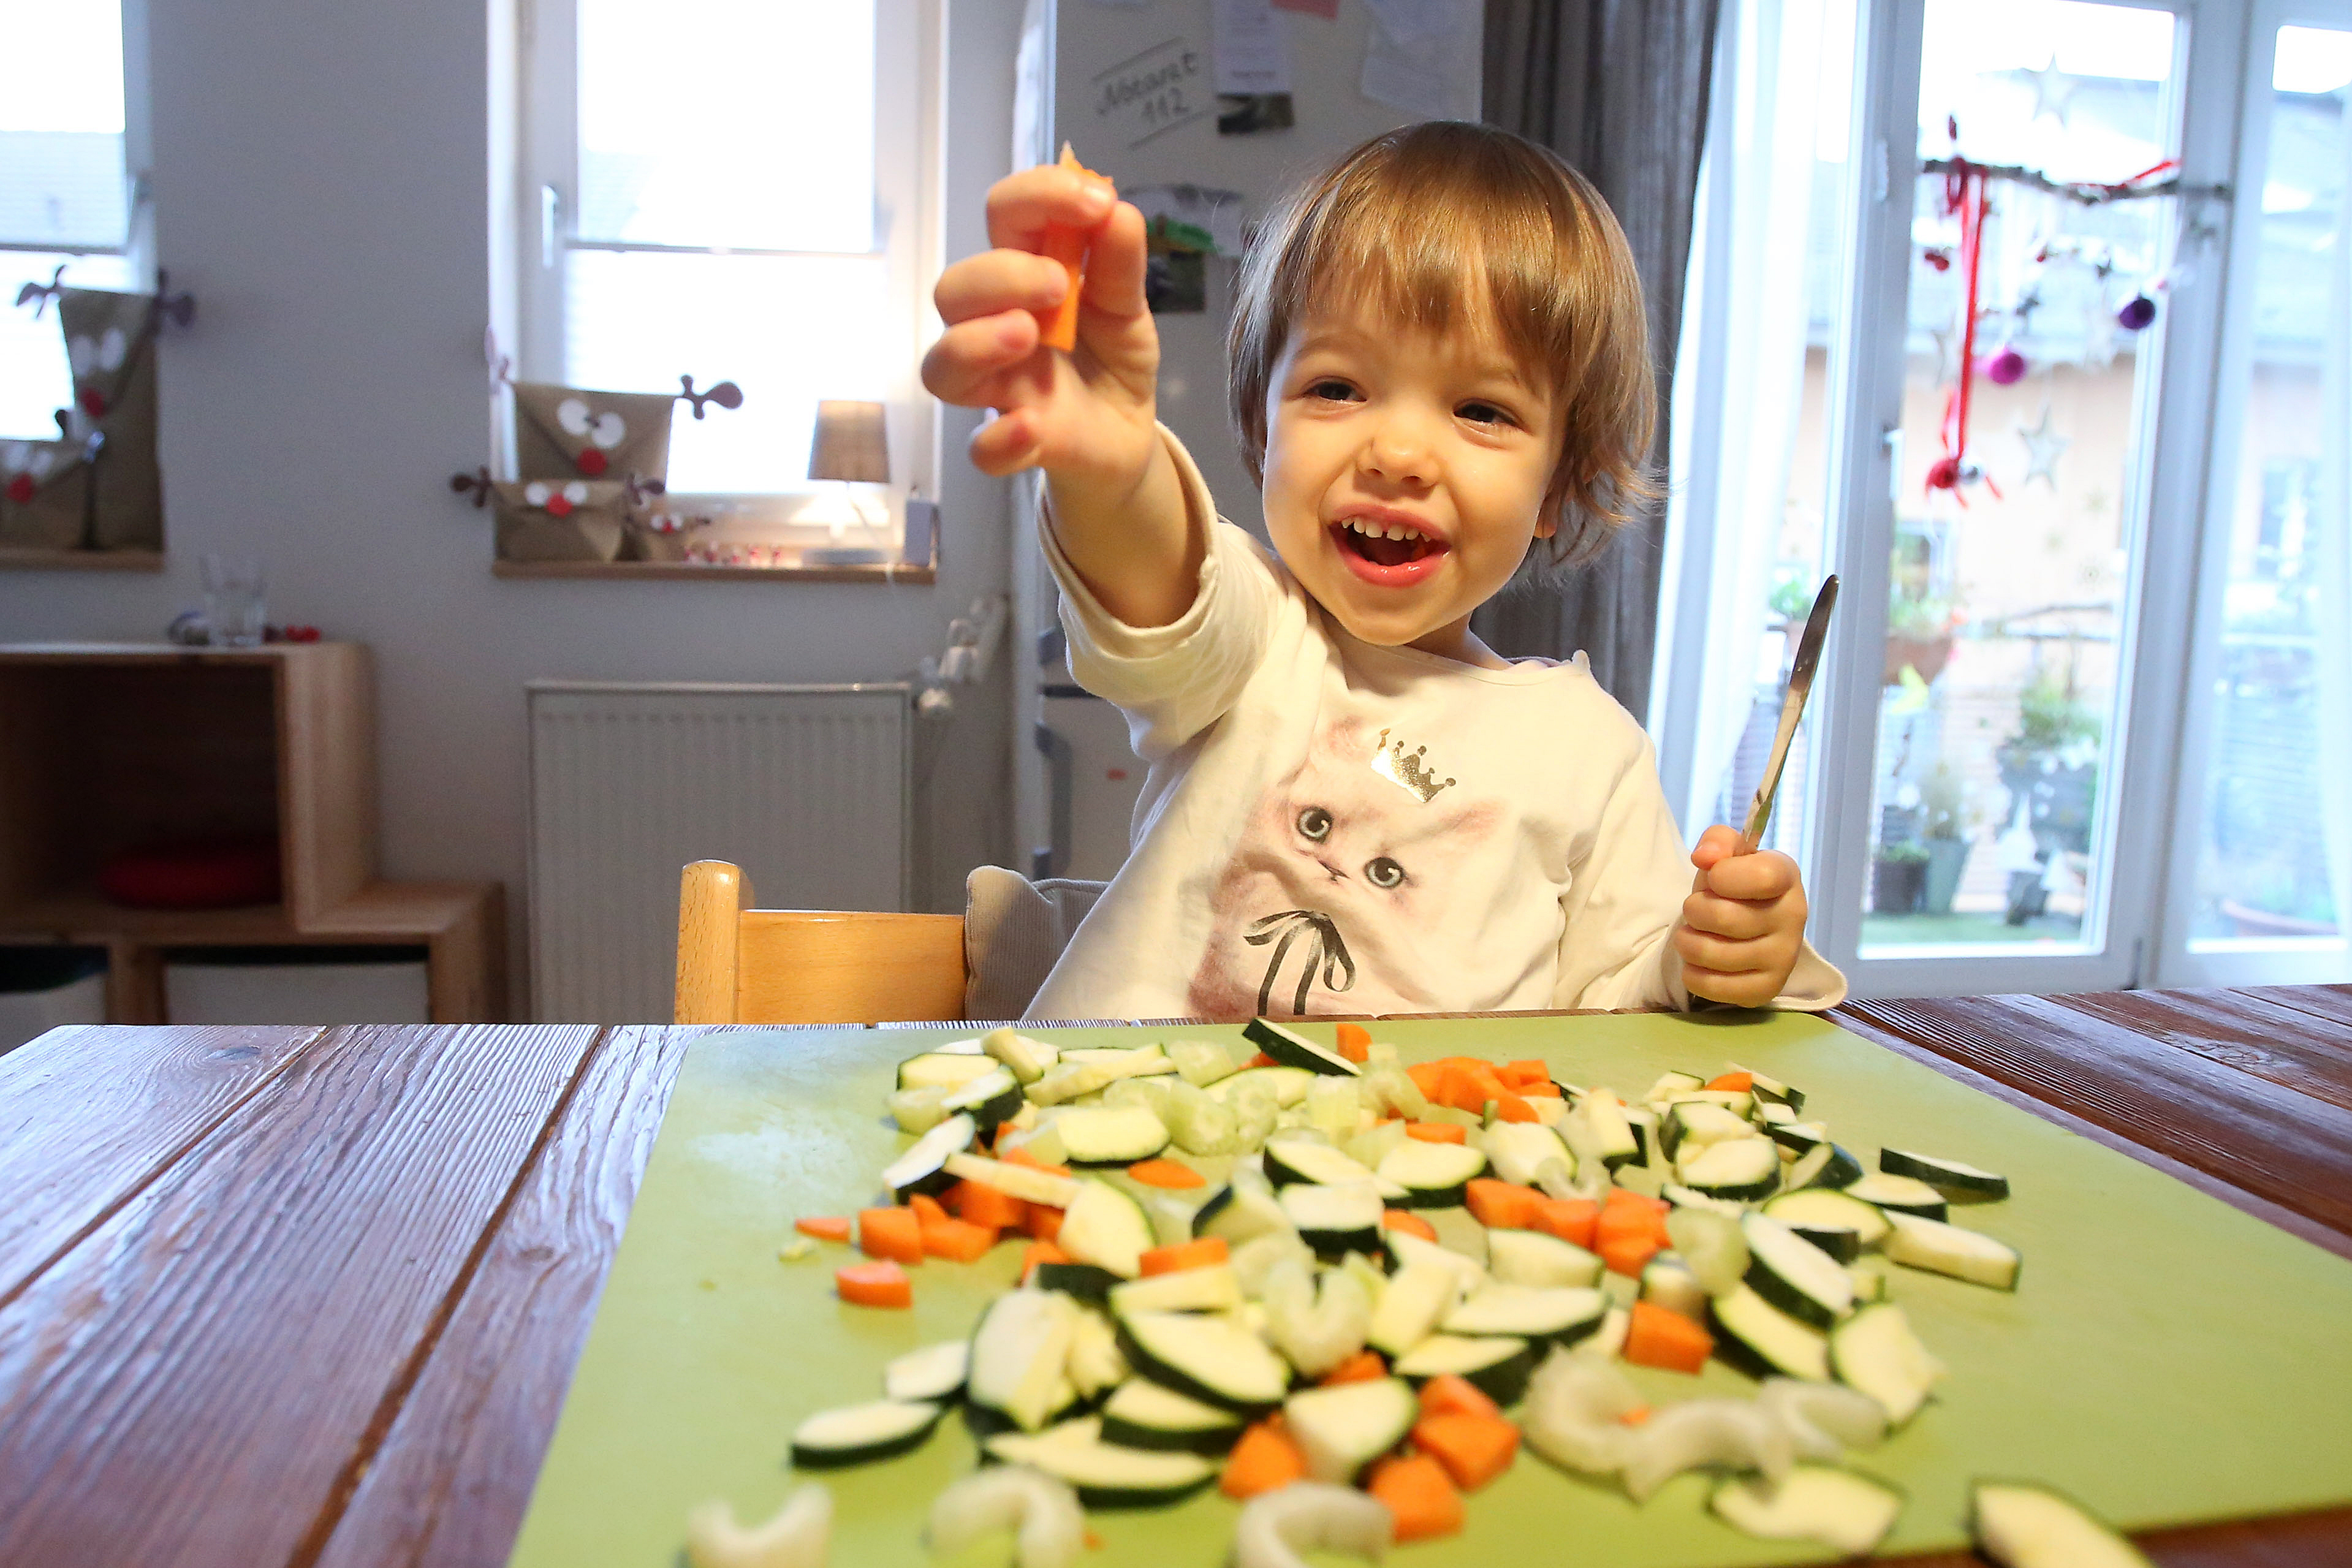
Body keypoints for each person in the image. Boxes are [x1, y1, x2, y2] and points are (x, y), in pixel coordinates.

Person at [924, 121, 1844, 1021]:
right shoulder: (1257, 637)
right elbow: (1157, 580)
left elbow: (1618, 1004)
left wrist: (1714, 958)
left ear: (1561, 484)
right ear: (1261, 425)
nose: (1398, 450)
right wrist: (1111, 471)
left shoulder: (1589, 752)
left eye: (1481, 409)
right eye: (1336, 388)